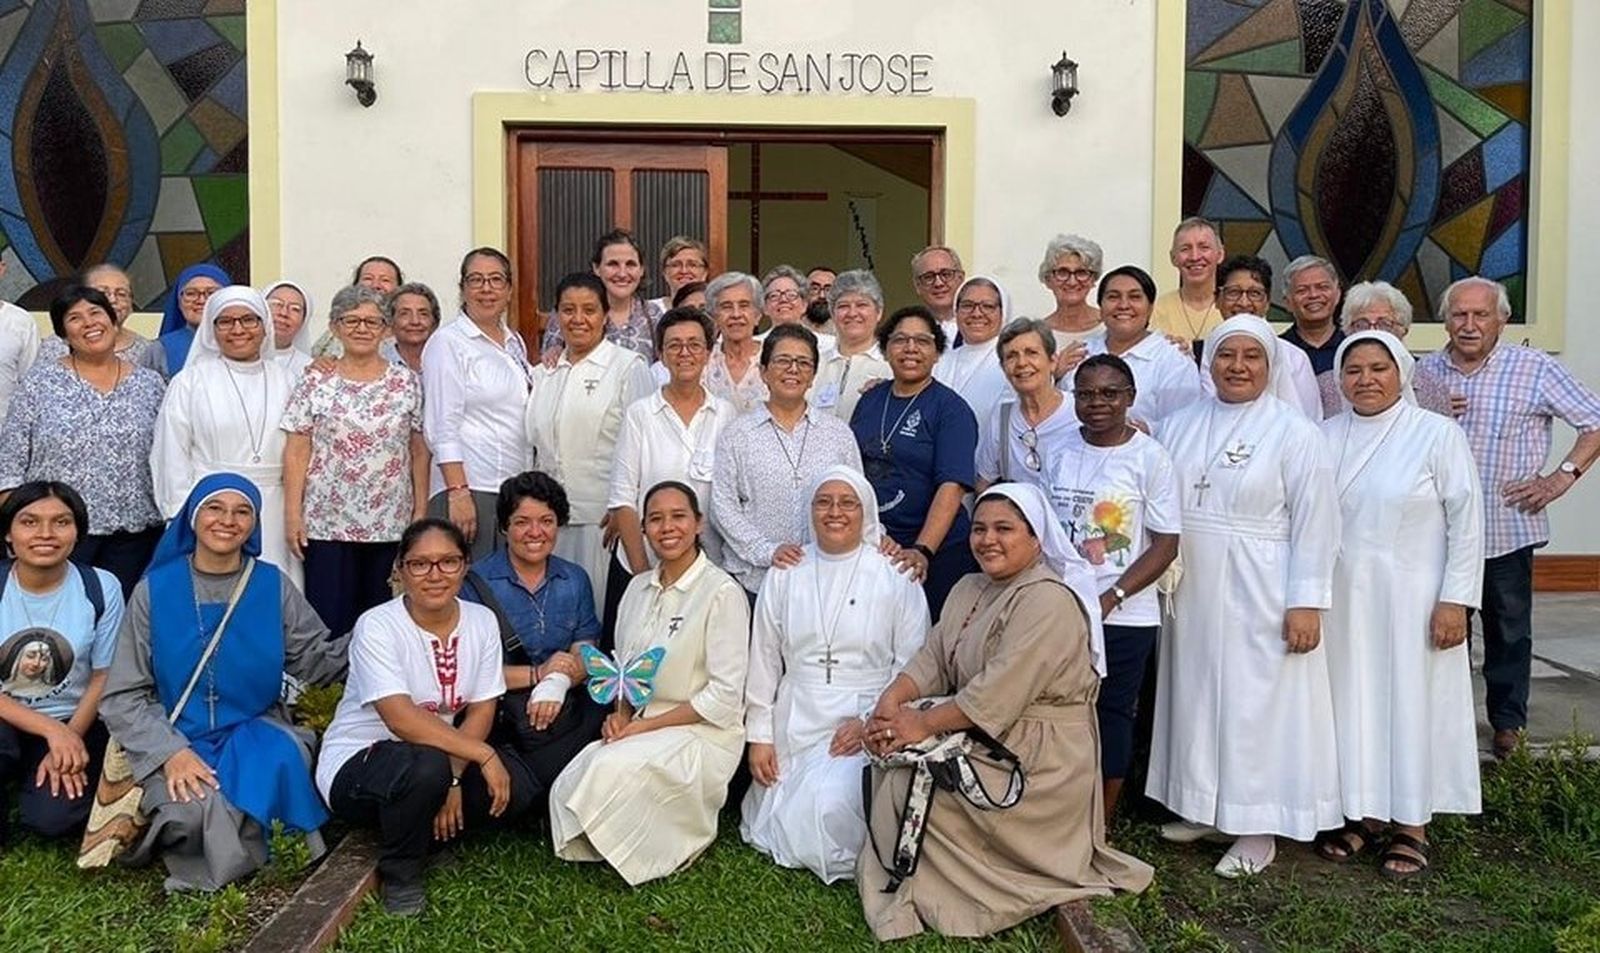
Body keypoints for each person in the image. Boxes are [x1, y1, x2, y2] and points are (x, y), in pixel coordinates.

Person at [858, 482, 1150, 939]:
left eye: (1004, 529)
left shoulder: (1047, 599)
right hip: (991, 733)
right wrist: (891, 702)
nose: (987, 539)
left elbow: (997, 694)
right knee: (899, 767)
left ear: (1036, 539)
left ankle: (969, 889)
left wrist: (919, 724)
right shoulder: (969, 586)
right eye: (978, 528)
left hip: (1041, 761)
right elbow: (933, 658)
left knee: (923, 785)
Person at [1147, 315, 1340, 877]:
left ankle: (1258, 828)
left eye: (1251, 357)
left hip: (1264, 585)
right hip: (1194, 586)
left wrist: (1306, 600)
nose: (1237, 366)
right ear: (1211, 364)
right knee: (1197, 696)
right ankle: (1206, 805)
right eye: (1227, 356)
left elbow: (1317, 523)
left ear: (1271, 365)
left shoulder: (1296, 431)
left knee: (1256, 704)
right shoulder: (1179, 423)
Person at [98, 474, 347, 891]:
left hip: (255, 726)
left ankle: (243, 841)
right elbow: (124, 694)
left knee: (282, 759)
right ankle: (235, 843)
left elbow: (317, 661)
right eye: (215, 508)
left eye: (242, 511)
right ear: (193, 518)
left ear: (253, 524)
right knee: (191, 813)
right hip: (177, 734)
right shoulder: (152, 592)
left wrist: (387, 626)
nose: (227, 520)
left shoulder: (272, 585)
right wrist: (170, 753)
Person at [1318, 330, 1484, 879]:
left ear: (1402, 373)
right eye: (1353, 370)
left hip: (1415, 599)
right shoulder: (1323, 434)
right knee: (1353, 704)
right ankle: (1363, 812)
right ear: (1339, 378)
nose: (1365, 380)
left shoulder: (1436, 434)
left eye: (1378, 368)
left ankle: (1411, 824)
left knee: (1409, 705)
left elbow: (1467, 522)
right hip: (1343, 601)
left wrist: (1455, 599)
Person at [1414, 277, 1600, 758]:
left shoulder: (1534, 367)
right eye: (1459, 315)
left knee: (1509, 631)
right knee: (1442, 631)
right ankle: (1444, 724)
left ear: (1503, 319)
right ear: (1445, 320)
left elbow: (1593, 422)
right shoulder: (1423, 372)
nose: (1469, 325)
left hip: (1505, 524)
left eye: (1480, 315)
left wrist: (1560, 478)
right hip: (1435, 530)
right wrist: (1428, 407)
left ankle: (1506, 724)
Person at [318, 517, 536, 915]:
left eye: (448, 562)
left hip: (440, 757)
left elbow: (484, 704)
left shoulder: (481, 620)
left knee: (516, 788)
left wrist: (454, 777)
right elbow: (401, 719)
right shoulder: (377, 625)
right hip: (360, 762)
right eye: (420, 564)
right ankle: (402, 871)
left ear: (465, 565)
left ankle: (424, 824)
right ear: (401, 569)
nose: (435, 575)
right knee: (427, 767)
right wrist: (479, 756)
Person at [549, 481, 750, 886]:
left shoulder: (721, 592)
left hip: (701, 730)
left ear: (698, 524)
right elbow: (623, 668)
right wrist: (620, 716)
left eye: (678, 516)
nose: (667, 527)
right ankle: (620, 834)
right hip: (643, 720)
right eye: (656, 519)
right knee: (568, 782)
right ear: (643, 529)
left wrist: (644, 726)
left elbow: (725, 695)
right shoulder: (637, 589)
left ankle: (674, 840)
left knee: (608, 769)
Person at [742, 466, 927, 883]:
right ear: (810, 510)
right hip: (796, 716)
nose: (835, 512)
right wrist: (760, 736)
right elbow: (765, 659)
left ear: (867, 511)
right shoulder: (786, 571)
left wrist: (870, 724)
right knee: (780, 800)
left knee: (828, 806)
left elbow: (913, 664)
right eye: (823, 502)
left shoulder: (895, 574)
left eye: (848, 503)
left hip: (865, 713)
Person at [1050, 354, 1180, 813]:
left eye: (1109, 393)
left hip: (1124, 611)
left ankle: (1101, 817)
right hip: (1063, 606)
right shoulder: (1060, 449)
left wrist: (1113, 596)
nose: (1096, 403)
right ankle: (1060, 808)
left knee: (1113, 712)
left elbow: (1165, 544)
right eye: (1085, 394)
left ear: (1130, 398)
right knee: (1061, 708)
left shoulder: (1150, 457)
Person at [282, 284, 428, 639]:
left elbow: (418, 449)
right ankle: (329, 693)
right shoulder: (315, 379)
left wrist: (420, 511)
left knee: (382, 619)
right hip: (327, 521)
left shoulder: (405, 382)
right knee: (330, 618)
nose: (362, 329)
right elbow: (298, 446)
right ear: (334, 327)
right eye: (351, 321)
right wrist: (292, 513)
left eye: (372, 321)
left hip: (389, 521)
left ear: (387, 329)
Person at [0, 287, 167, 595]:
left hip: (135, 535)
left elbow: (169, 455)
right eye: (74, 318)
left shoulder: (150, 384)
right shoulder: (39, 384)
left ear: (113, 320)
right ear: (64, 333)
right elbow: (10, 463)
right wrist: (17, 528)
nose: (89, 323)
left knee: (123, 625)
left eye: (96, 313)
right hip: (56, 532)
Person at [462, 473, 607, 789]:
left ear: (559, 524)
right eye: (522, 522)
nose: (535, 532)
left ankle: (535, 782)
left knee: (604, 702)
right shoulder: (476, 583)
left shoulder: (574, 578)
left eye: (546, 521)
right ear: (504, 526)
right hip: (497, 709)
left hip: (560, 704)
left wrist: (556, 684)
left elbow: (585, 648)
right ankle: (544, 782)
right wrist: (539, 675)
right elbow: (467, 673)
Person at [0, 483, 125, 845]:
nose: (45, 534)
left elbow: (104, 675)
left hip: (74, 717)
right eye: (29, 522)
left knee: (53, 820)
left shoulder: (101, 586)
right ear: (8, 533)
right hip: (6, 716)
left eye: (61, 522)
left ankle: (36, 784)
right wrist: (51, 732)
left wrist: (69, 734)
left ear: (77, 532)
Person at [152, 286, 302, 587]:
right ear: (211, 329)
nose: (238, 329)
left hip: (276, 509)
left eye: (249, 320)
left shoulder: (290, 380)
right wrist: (184, 517)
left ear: (264, 326)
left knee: (275, 594)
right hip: (211, 511)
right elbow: (171, 454)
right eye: (226, 321)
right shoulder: (190, 382)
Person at [526, 273, 656, 618]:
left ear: (605, 316)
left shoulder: (627, 367)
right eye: (568, 310)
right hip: (548, 522)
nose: (578, 319)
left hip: (602, 522)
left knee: (596, 615)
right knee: (554, 616)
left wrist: (625, 507)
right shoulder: (544, 373)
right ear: (556, 316)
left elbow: (643, 446)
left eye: (589, 309)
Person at [712, 325, 864, 597]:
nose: (793, 369)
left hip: (824, 583)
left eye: (803, 362)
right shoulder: (737, 434)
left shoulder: (838, 433)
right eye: (783, 361)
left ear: (813, 376)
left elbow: (858, 500)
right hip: (755, 582)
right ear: (763, 371)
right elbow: (722, 506)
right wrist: (767, 551)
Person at [606, 308, 736, 624]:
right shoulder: (641, 414)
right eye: (674, 345)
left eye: (694, 344)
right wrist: (644, 578)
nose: (685, 353)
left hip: (707, 569)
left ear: (708, 353)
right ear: (661, 355)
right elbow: (623, 499)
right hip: (643, 562)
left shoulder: (727, 415)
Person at [851, 306, 978, 619]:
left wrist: (922, 550)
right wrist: (871, 536)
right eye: (900, 340)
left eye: (922, 341)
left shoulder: (951, 409)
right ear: (885, 348)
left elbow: (952, 485)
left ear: (937, 352)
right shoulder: (870, 400)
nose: (910, 348)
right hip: (877, 548)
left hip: (936, 553)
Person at [422, 247, 533, 561]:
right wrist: (459, 491)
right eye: (477, 280)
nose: (487, 289)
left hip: (510, 489)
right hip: (471, 489)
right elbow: (441, 426)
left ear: (510, 289)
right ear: (462, 289)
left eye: (496, 280)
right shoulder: (449, 343)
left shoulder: (514, 342)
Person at [1074, 265, 1202, 430]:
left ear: (1150, 308)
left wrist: (1144, 430)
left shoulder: (1173, 358)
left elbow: (1184, 426)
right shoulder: (1081, 352)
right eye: (1113, 297)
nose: (1123, 305)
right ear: (1101, 306)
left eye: (1135, 297)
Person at [1211, 256, 1321, 419]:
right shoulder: (1197, 354)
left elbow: (1311, 421)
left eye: (1254, 293)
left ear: (1268, 301)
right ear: (1216, 299)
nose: (1244, 302)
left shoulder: (1294, 358)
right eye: (1233, 292)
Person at [976, 318, 1075, 493]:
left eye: (1031, 353)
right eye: (1011, 356)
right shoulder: (1002, 417)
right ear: (1004, 367)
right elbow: (984, 482)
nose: (1022, 363)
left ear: (1052, 361)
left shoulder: (1078, 412)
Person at [543, 229, 662, 364]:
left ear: (641, 270)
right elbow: (551, 360)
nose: (622, 273)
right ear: (596, 268)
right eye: (613, 264)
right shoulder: (570, 312)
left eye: (630, 264)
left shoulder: (654, 316)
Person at [1339, 281, 1451, 416]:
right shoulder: (1325, 387)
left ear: (1403, 329)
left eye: (1384, 324)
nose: (1373, 331)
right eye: (1361, 324)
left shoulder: (1431, 385)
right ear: (1347, 330)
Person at [38, 264, 166, 377]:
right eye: (102, 293)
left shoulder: (147, 349)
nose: (112, 300)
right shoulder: (54, 346)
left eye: (121, 294)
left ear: (131, 304)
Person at [933, 275, 1012, 445]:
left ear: (1003, 312)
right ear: (956, 311)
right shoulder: (941, 361)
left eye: (988, 306)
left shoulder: (1012, 360)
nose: (977, 313)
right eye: (968, 306)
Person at [810, 270, 890, 423]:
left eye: (862, 305)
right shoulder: (815, 363)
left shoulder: (890, 364)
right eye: (843, 306)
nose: (852, 313)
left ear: (879, 312)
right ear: (832, 314)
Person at [1279, 255, 1346, 418]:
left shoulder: (1354, 348)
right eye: (1302, 290)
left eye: (1322, 287)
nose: (1313, 295)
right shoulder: (1278, 350)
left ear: (1337, 295)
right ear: (1287, 302)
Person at [1150, 217, 1226, 352]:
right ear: (1173, 258)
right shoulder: (1156, 310)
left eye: (1204, 247)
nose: (1195, 257)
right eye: (1185, 249)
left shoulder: (1233, 307)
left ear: (1220, 254)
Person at [312, 256, 407, 359]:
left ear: (399, 288)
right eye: (368, 278)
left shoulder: (409, 330)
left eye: (385, 280)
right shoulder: (339, 328)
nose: (376, 285)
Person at [1038, 233, 1105, 377]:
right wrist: (1055, 374)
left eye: (1081, 272)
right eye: (1063, 272)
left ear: (1093, 280)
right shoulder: (1038, 334)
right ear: (1048, 280)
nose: (1072, 281)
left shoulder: (1110, 325)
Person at [702, 272, 768, 414]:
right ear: (714, 316)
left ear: (757, 315)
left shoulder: (774, 359)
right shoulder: (703, 362)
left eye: (744, 306)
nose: (736, 314)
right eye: (726, 306)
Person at [156, 263, 228, 372]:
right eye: (191, 294)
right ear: (179, 302)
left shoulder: (244, 342)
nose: (201, 300)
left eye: (211, 293)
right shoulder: (160, 349)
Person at [761, 266, 834, 353]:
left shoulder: (829, 346)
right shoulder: (754, 346)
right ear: (765, 307)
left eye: (791, 295)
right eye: (774, 295)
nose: (783, 300)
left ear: (804, 304)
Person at [909, 246, 965, 343]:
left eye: (946, 274)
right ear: (917, 286)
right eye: (929, 277)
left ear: (960, 278)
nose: (938, 283)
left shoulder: (982, 327)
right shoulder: (909, 332)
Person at [384, 282, 442, 375]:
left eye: (423, 314)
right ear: (391, 321)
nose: (415, 321)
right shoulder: (378, 362)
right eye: (405, 314)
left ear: (434, 322)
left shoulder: (447, 359)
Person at [263, 280, 315, 381]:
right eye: (277, 304)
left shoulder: (309, 368)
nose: (284, 313)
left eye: (295, 309)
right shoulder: (240, 359)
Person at [646, 236, 710, 314]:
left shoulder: (715, 308)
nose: (684, 271)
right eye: (675, 265)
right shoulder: (648, 311)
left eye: (692, 265)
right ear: (665, 272)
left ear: (705, 272)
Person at [805, 265, 837, 335]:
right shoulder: (792, 328)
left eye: (828, 290)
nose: (822, 296)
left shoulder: (845, 331)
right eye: (815, 288)